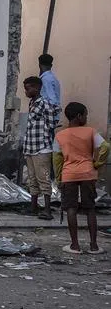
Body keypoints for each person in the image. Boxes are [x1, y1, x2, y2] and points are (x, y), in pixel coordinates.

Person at [53, 102, 109, 255]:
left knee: (71, 208)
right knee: (90, 209)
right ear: (79, 116)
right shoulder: (90, 131)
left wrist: (59, 178)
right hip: (87, 173)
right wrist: (98, 163)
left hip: (69, 174)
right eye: (85, 114)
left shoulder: (60, 135)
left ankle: (75, 245)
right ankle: (94, 246)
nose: (86, 117)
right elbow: (105, 147)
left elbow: (57, 159)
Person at [21, 76, 57, 221]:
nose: (26, 91)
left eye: (28, 88)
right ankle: (33, 207)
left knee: (44, 179)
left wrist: (46, 139)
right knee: (32, 179)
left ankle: (47, 210)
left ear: (37, 88)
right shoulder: (32, 103)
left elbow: (51, 123)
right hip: (30, 146)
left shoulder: (45, 103)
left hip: (41, 148)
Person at [39, 54, 62, 127]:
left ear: (39, 65)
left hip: (48, 116)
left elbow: (52, 99)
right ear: (51, 65)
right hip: (52, 115)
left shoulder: (46, 79)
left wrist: (49, 116)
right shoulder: (53, 78)